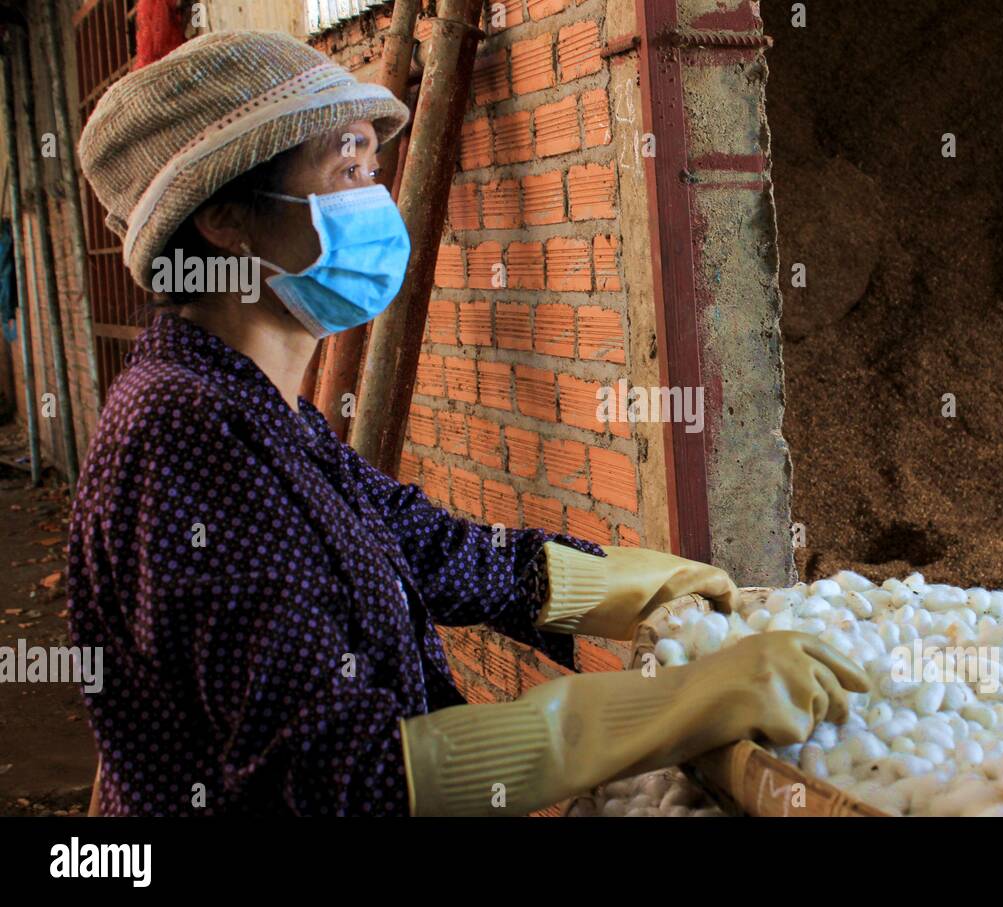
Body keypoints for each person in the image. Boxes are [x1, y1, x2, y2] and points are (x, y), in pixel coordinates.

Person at [70, 30, 867, 816]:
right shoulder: (181, 434)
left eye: (371, 172)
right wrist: (668, 706)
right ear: (223, 218)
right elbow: (338, 778)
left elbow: (425, 546)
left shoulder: (257, 408)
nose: (372, 202)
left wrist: (636, 583)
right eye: (344, 169)